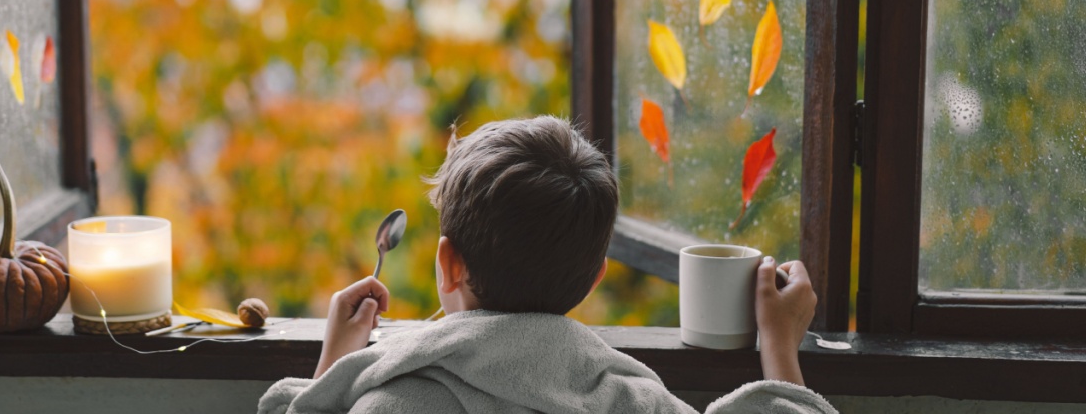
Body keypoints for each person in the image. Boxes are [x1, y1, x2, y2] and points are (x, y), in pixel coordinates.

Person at [259, 116, 837, 413]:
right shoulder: (633, 403)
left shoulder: (389, 403)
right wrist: (779, 344)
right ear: (593, 279)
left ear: (447, 263)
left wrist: (334, 367)